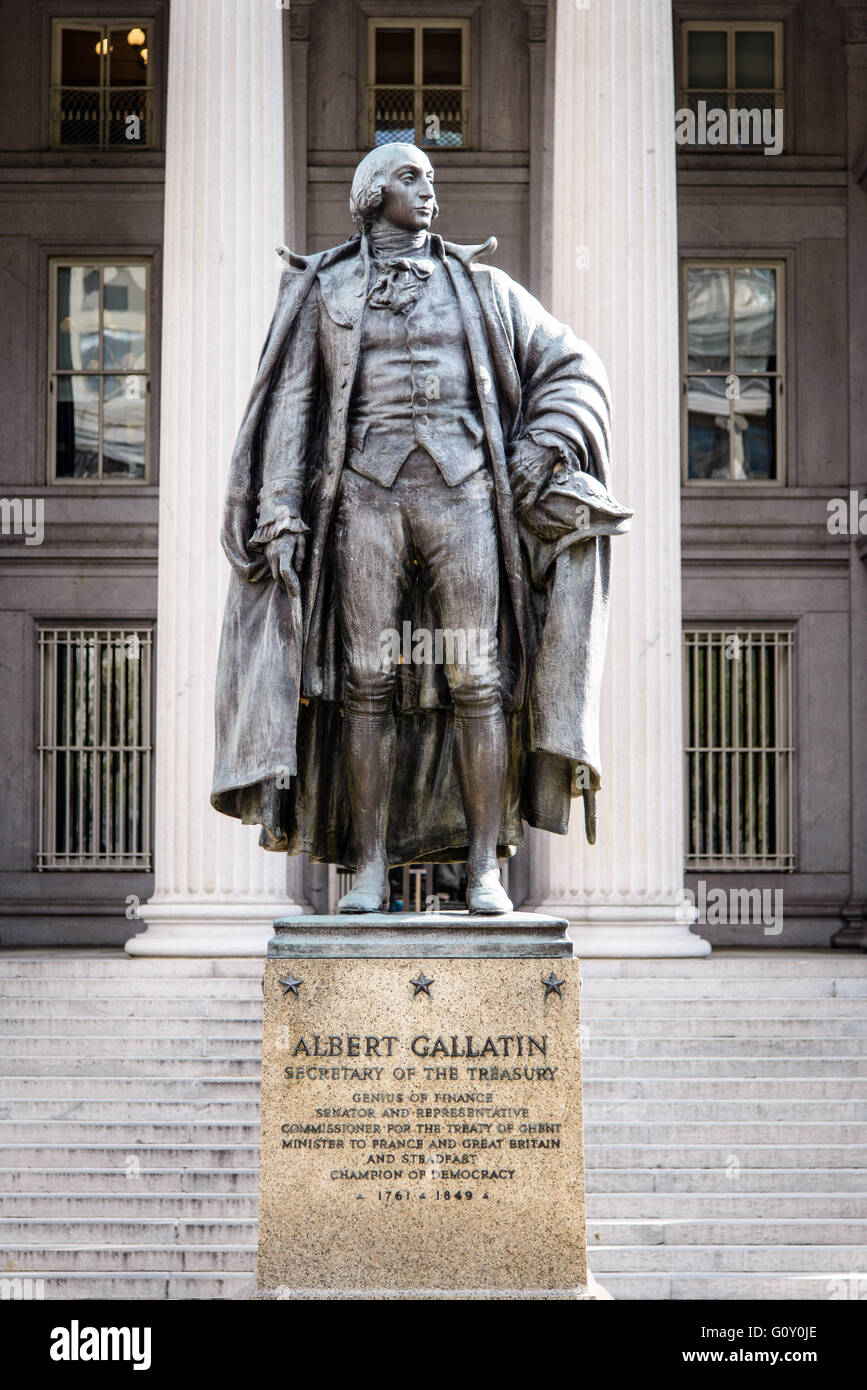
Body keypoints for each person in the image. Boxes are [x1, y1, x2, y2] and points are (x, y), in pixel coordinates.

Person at [212, 144, 630, 914]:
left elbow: (574, 365)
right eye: (411, 178)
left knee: (477, 678)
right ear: (372, 194)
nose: (429, 190)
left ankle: (482, 869)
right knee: (366, 684)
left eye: (431, 179)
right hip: (363, 501)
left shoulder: (483, 287)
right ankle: (369, 869)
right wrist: (279, 507)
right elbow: (294, 404)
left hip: (465, 496)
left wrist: (542, 442)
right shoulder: (325, 289)